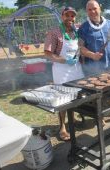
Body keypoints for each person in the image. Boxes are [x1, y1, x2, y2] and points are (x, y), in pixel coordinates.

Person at [78, 0, 110, 122]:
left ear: (100, 8)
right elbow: (80, 47)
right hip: (94, 67)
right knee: (97, 93)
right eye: (89, 9)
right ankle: (100, 116)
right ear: (87, 12)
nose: (92, 11)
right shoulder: (84, 28)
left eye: (94, 8)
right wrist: (92, 55)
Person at [44, 7, 84, 141]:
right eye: (67, 15)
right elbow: (48, 54)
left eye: (73, 16)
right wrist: (65, 60)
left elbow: (81, 46)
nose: (70, 18)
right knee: (62, 100)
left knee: (75, 97)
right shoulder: (54, 32)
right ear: (62, 16)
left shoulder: (76, 30)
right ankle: (62, 127)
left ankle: (71, 122)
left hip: (77, 70)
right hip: (61, 71)